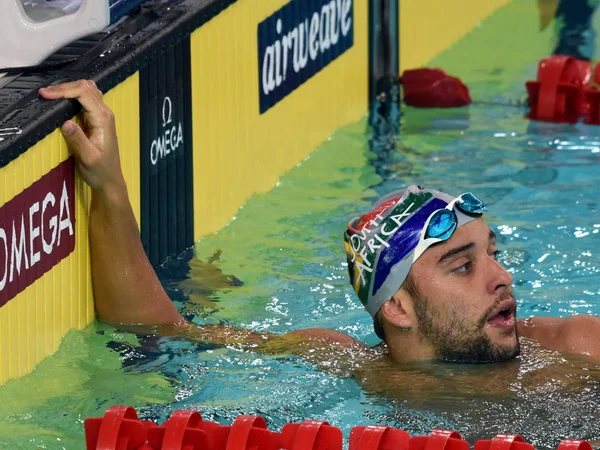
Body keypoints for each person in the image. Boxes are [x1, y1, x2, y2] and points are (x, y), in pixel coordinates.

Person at [38, 80, 600, 372]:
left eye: (491, 252)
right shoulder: (348, 365)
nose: (501, 277)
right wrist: (108, 188)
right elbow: (158, 328)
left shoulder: (576, 350)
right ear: (398, 308)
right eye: (462, 265)